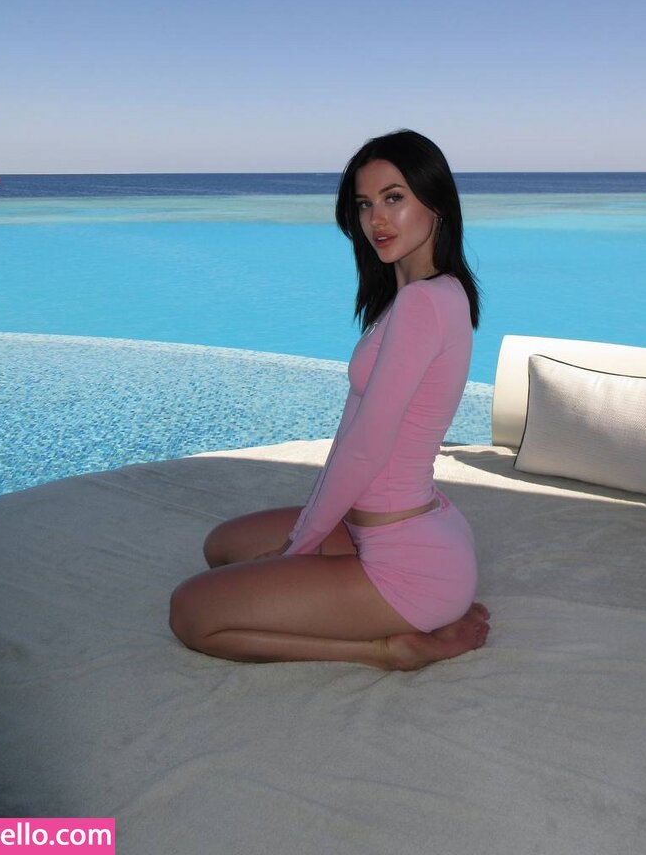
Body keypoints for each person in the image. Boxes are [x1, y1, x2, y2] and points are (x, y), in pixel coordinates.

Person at [170, 130, 490, 669]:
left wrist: (300, 546)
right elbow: (352, 435)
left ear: (435, 202)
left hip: (406, 563)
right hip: (402, 529)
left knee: (191, 612)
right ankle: (418, 606)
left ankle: (390, 650)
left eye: (393, 197)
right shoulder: (433, 293)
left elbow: (364, 448)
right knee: (222, 547)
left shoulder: (423, 304)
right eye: (364, 204)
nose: (376, 220)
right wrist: (310, 533)